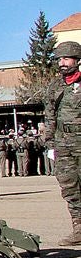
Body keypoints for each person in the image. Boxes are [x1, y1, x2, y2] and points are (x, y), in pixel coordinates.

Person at [41, 41, 81, 246]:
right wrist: (50, 144)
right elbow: (50, 117)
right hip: (63, 144)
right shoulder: (55, 86)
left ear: (77, 60)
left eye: (66, 58)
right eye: (59, 59)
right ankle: (79, 229)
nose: (62, 63)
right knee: (69, 187)